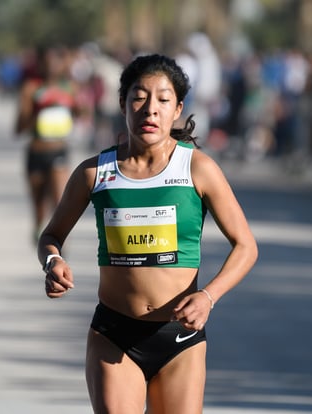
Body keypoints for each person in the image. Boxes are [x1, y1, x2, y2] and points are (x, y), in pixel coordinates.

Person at [38, 54, 258, 414]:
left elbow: (246, 246)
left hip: (180, 339)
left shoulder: (198, 168)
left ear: (178, 110)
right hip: (114, 334)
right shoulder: (95, 173)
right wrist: (53, 260)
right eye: (139, 97)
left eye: (163, 99)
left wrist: (208, 297)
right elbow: (51, 235)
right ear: (122, 103)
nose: (150, 109)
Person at [15, 45, 78, 243]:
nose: (52, 65)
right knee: (39, 206)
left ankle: (57, 242)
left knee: (59, 202)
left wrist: (70, 104)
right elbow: (18, 129)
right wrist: (40, 111)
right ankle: (38, 226)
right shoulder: (31, 89)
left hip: (59, 150)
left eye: (56, 60)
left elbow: (83, 114)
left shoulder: (69, 87)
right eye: (47, 61)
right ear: (41, 63)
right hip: (36, 152)